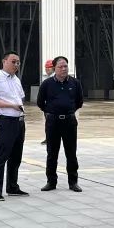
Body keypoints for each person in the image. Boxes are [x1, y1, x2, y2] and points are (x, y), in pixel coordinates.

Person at [36, 56, 84, 192]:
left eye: (65, 66)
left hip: (69, 121)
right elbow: (40, 102)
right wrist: (51, 112)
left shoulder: (75, 83)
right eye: (60, 67)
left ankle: (73, 182)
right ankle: (51, 182)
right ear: (54, 69)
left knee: (71, 153)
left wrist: (68, 111)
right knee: (52, 153)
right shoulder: (47, 84)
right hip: (53, 122)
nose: (63, 69)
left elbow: (79, 102)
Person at [0, 51, 29, 201]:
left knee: (16, 156)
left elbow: (20, 98)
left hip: (19, 122)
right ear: (4, 61)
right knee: (1, 156)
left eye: (18, 62)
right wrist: (10, 105)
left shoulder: (16, 80)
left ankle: (12, 187)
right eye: (13, 61)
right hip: (6, 121)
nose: (16, 64)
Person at [39, 59, 54, 145]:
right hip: (47, 105)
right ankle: (48, 138)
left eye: (49, 68)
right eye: (46, 68)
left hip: (52, 106)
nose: (47, 69)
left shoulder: (55, 78)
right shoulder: (46, 79)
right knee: (48, 124)